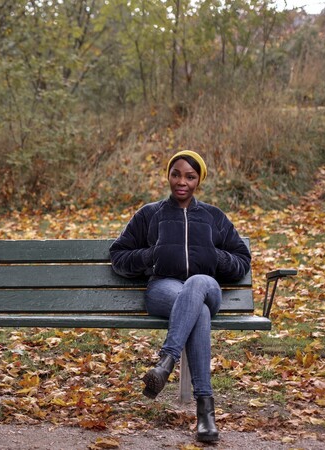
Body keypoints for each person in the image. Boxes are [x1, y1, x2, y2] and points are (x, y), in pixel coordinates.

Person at [108, 150, 251, 443]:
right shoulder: (150, 214)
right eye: (176, 174)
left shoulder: (213, 217)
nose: (181, 182)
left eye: (189, 176)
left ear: (199, 179)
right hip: (164, 288)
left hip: (207, 287)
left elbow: (241, 261)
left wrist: (217, 257)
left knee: (197, 284)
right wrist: (151, 255)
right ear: (168, 176)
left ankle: (166, 361)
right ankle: (205, 414)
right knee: (196, 312)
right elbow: (118, 256)